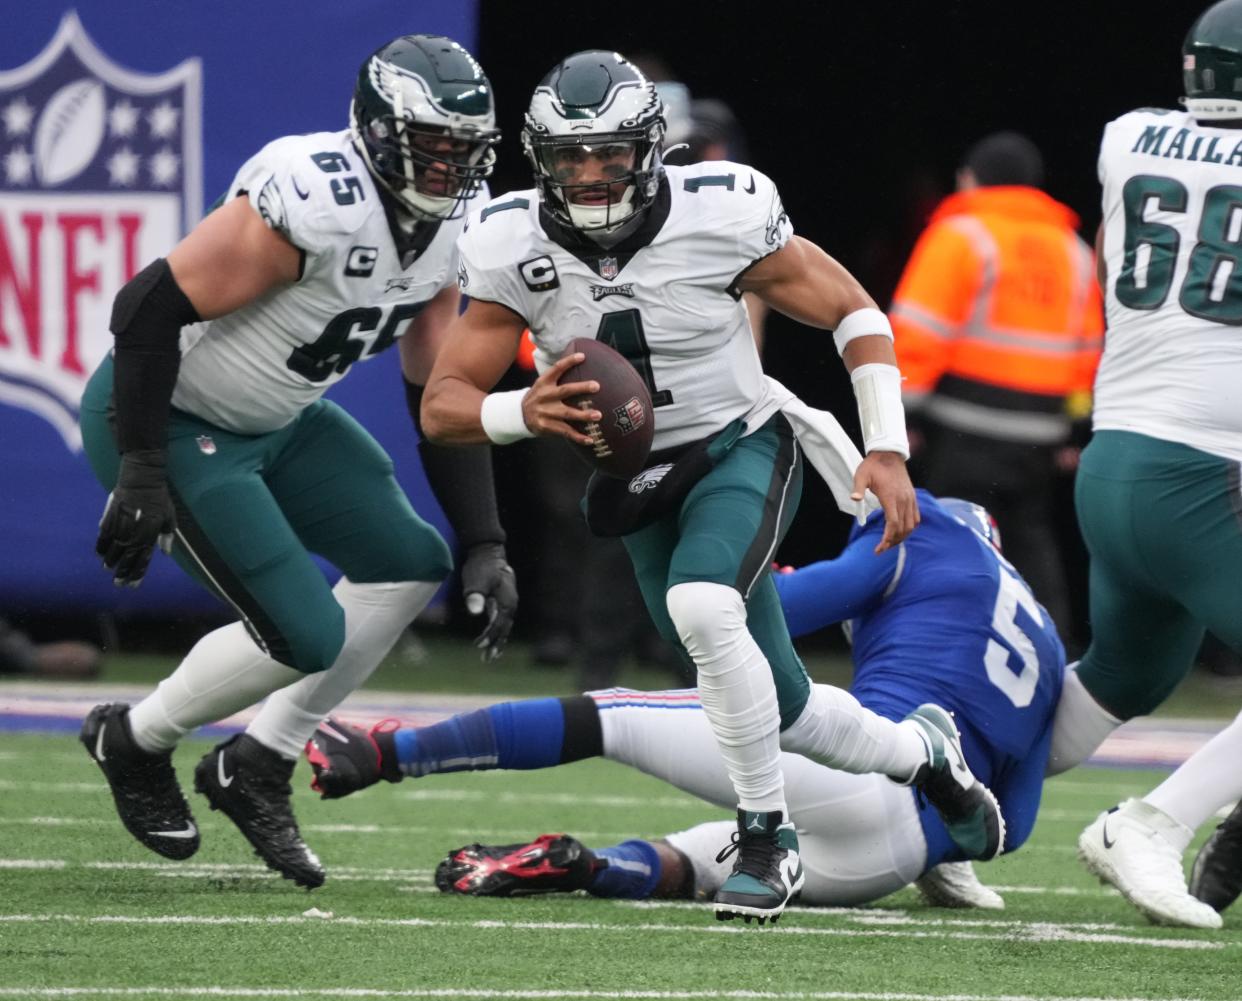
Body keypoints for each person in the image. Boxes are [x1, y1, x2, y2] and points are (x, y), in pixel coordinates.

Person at [418, 50, 974, 925]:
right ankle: (923, 754)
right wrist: (524, 409)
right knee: (781, 705)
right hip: (638, 477)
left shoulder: (724, 210)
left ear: (652, 149)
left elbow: (853, 310)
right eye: (571, 157)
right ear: (540, 160)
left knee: (704, 607)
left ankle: (765, 839)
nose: (592, 174)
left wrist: (888, 445)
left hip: (742, 442)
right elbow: (444, 405)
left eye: (609, 153)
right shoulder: (507, 240)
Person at [76, 35, 517, 890]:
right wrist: (140, 466)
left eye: (463, 151)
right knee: (304, 632)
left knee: (410, 562)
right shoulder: (318, 196)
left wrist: (486, 538)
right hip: (171, 416)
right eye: (430, 146)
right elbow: (145, 306)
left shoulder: (456, 223)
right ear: (379, 132)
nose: (446, 168)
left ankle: (259, 760)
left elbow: (440, 387)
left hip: (279, 419)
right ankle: (134, 739)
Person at [306, 492, 1065, 912]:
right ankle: (587, 866)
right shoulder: (1047, 642)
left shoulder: (916, 537)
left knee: (609, 714)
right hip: (891, 859)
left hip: (849, 763)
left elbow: (767, 609)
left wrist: (770, 575)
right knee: (695, 866)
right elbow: (1013, 826)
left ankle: (383, 753)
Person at [1050, 0, 1242, 930]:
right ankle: (1154, 820)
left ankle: (915, 793)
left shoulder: (1129, 137)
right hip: (1204, 476)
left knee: (1117, 681)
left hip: (1115, 458)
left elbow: (1113, 251)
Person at [890, 131, 1103, 640]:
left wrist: (902, 414)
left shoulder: (962, 235)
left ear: (971, 178)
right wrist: (1074, 430)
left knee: (951, 542)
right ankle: (1047, 650)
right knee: (1031, 543)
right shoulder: (1072, 251)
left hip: (962, 423)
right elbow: (1088, 351)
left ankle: (941, 648)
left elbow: (918, 333)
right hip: (1040, 433)